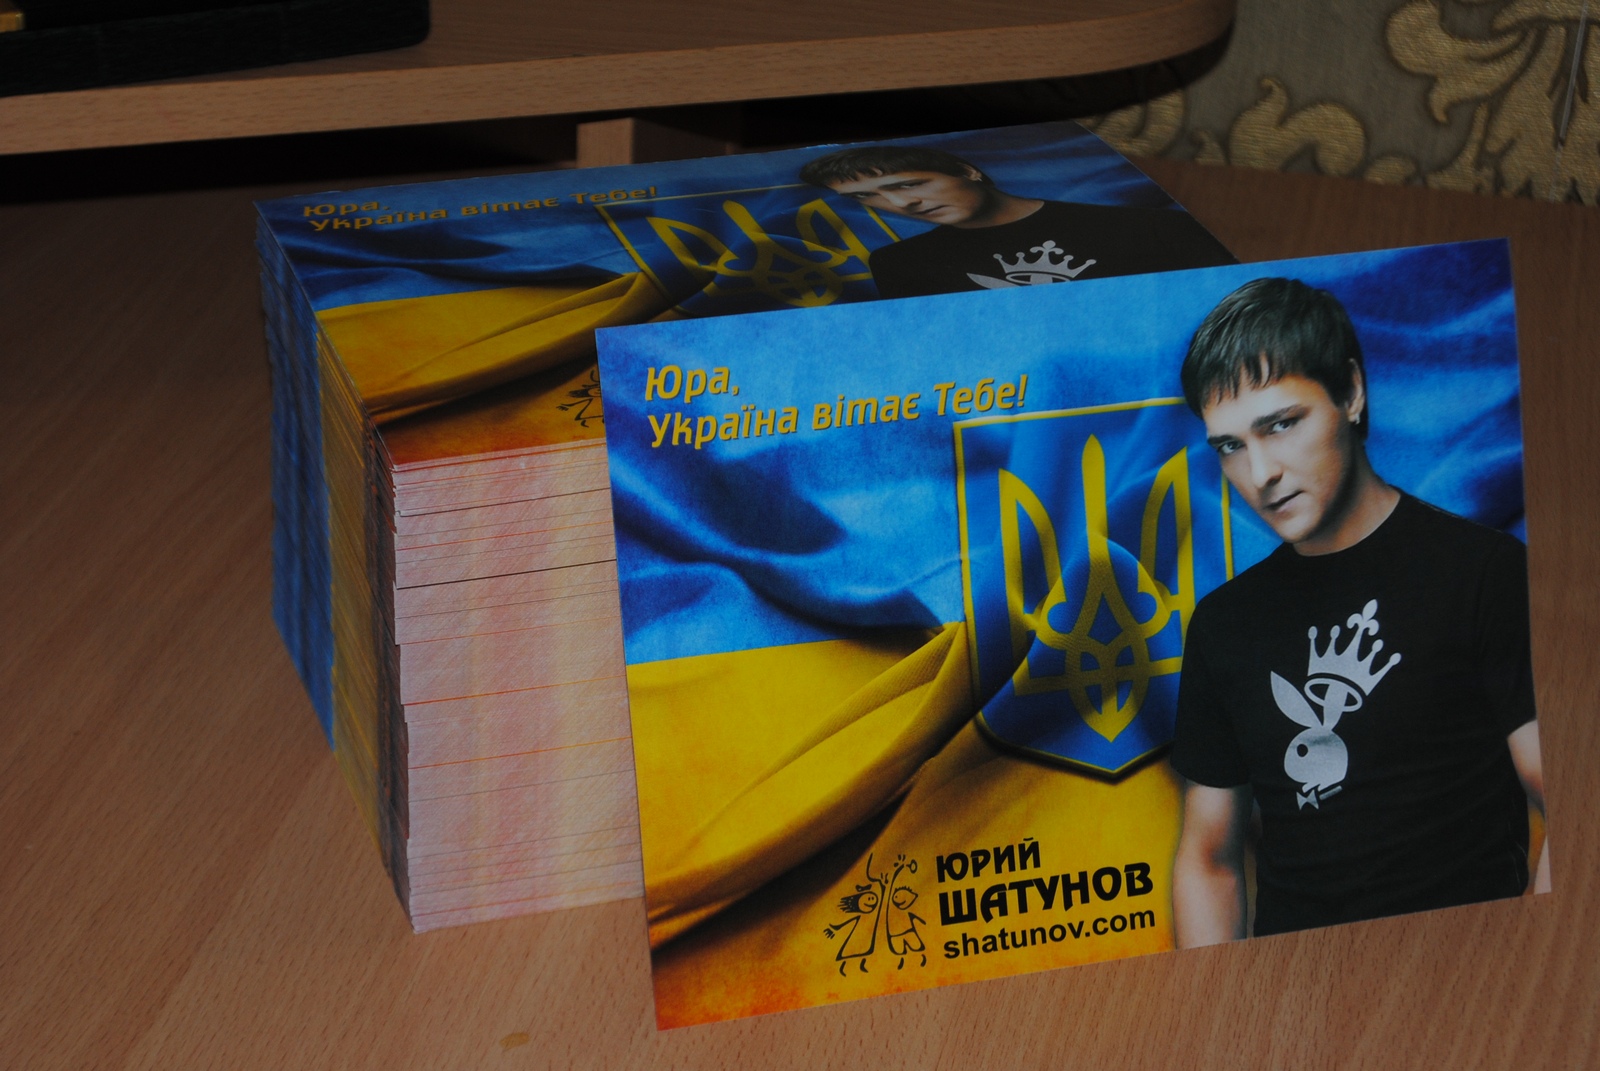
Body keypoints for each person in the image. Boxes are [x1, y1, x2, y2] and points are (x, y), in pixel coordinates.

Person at [1168, 277, 1549, 946]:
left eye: (1281, 424)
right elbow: (1209, 859)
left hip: (1462, 975)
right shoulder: (1224, 623)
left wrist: (1525, 967)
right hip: (1298, 993)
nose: (1260, 473)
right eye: (1230, 445)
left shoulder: (1482, 573)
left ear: (1350, 392)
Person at [797, 145, 1234, 300]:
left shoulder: (1150, 228)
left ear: (966, 171)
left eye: (910, 183)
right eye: (866, 197)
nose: (899, 203)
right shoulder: (899, 264)